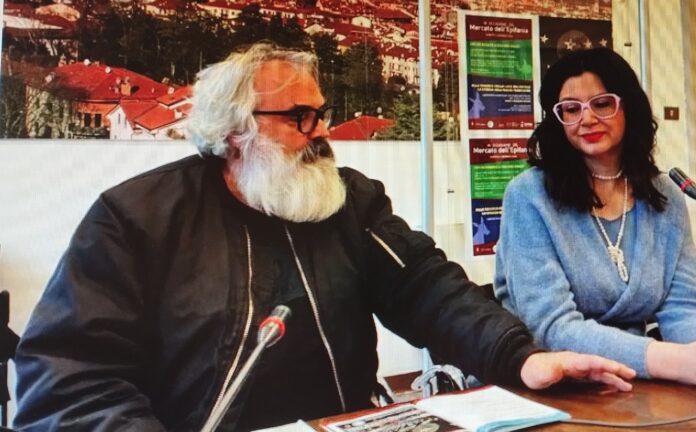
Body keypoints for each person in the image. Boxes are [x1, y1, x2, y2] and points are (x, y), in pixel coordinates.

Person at [15, 43, 634, 432]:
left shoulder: (348, 200)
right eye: (298, 118)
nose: (320, 133)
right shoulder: (136, 218)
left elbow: (427, 289)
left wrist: (520, 355)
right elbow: (68, 381)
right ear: (234, 130)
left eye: (321, 113)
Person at [495, 48, 696, 386]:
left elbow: (683, 309)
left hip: (636, 381)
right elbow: (551, 328)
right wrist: (671, 361)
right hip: (548, 383)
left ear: (628, 107)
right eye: (571, 109)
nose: (586, 119)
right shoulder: (528, 195)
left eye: (602, 104)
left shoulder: (666, 196)